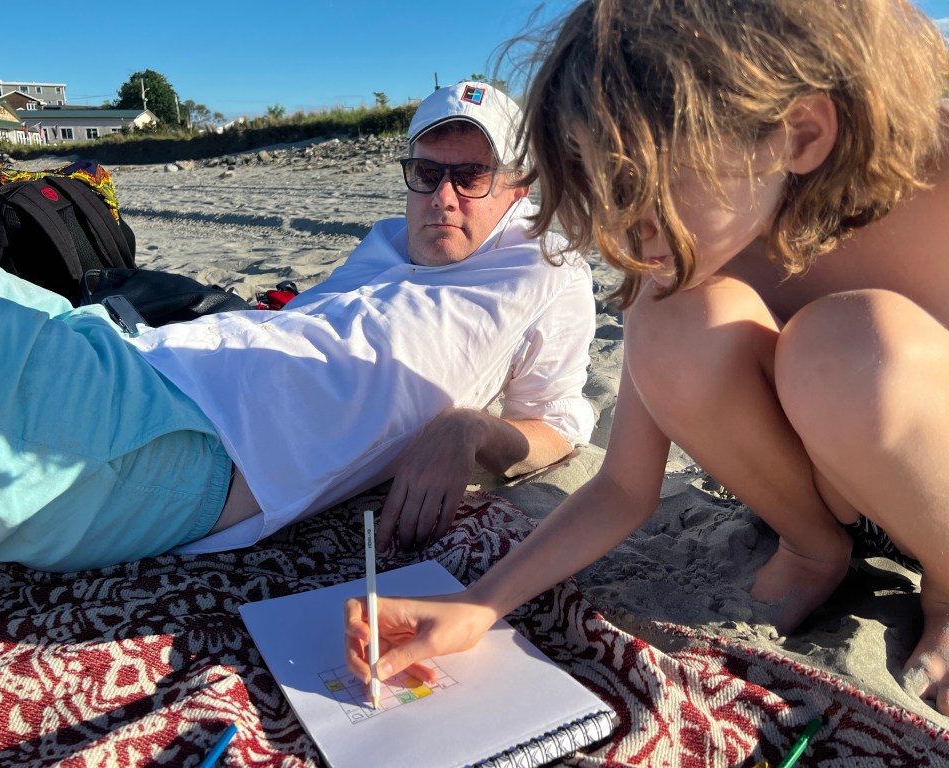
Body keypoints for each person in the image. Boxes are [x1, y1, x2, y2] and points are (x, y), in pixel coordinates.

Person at [345, 0, 949, 717]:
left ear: (801, 133)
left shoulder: (931, 180)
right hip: (836, 495)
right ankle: (812, 547)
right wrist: (479, 605)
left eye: (648, 186)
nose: (621, 230)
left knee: (846, 341)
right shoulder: (679, 253)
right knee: (668, 315)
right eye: (601, 189)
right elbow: (625, 486)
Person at [0, 81, 595, 572]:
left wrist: (469, 427)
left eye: (472, 175)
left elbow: (560, 425)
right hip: (137, 359)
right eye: (426, 173)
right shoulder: (388, 241)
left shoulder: (543, 268)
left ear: (518, 187)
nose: (443, 197)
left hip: (174, 446)